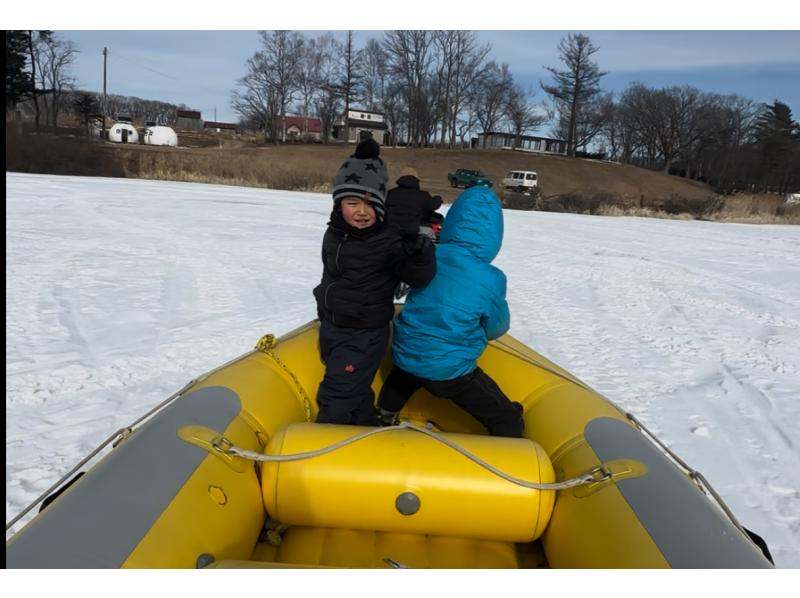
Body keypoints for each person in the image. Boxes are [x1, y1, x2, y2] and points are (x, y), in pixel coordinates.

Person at [376, 185, 524, 437]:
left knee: (406, 373)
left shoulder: (431, 254)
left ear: (452, 222)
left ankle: (385, 411)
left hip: (406, 352)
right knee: (506, 417)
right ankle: (509, 436)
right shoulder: (491, 278)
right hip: (449, 370)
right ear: (494, 236)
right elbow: (497, 325)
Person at [312, 138, 436, 426]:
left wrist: (421, 253)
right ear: (338, 203)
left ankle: (328, 456)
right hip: (333, 327)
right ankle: (369, 429)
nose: (362, 211)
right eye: (352, 203)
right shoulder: (334, 234)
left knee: (337, 397)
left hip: (363, 333)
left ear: (381, 206)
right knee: (354, 392)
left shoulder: (388, 240)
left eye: (370, 204)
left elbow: (419, 277)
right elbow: (330, 275)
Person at [385, 167, 443, 241]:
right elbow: (434, 205)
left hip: (391, 232)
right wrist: (438, 198)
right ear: (417, 180)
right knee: (430, 234)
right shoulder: (423, 195)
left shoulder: (391, 193)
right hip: (413, 232)